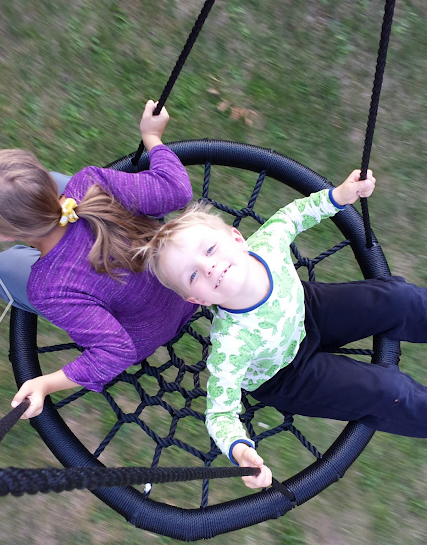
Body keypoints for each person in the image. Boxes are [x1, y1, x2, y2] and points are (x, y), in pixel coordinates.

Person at [138, 168, 427, 488]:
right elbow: (220, 413)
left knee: (397, 299)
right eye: (192, 275)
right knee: (389, 392)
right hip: (287, 374)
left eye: (209, 250)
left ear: (237, 239)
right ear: (198, 299)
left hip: (307, 308)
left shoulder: (268, 244)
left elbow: (295, 214)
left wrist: (339, 196)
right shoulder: (232, 344)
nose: (208, 267)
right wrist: (239, 450)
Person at [0, 101, 196, 417]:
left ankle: (14, 263)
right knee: (35, 200)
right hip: (186, 285)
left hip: (148, 330)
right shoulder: (92, 182)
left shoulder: (49, 288)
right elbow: (177, 189)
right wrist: (152, 137)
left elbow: (115, 352)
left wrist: (46, 384)